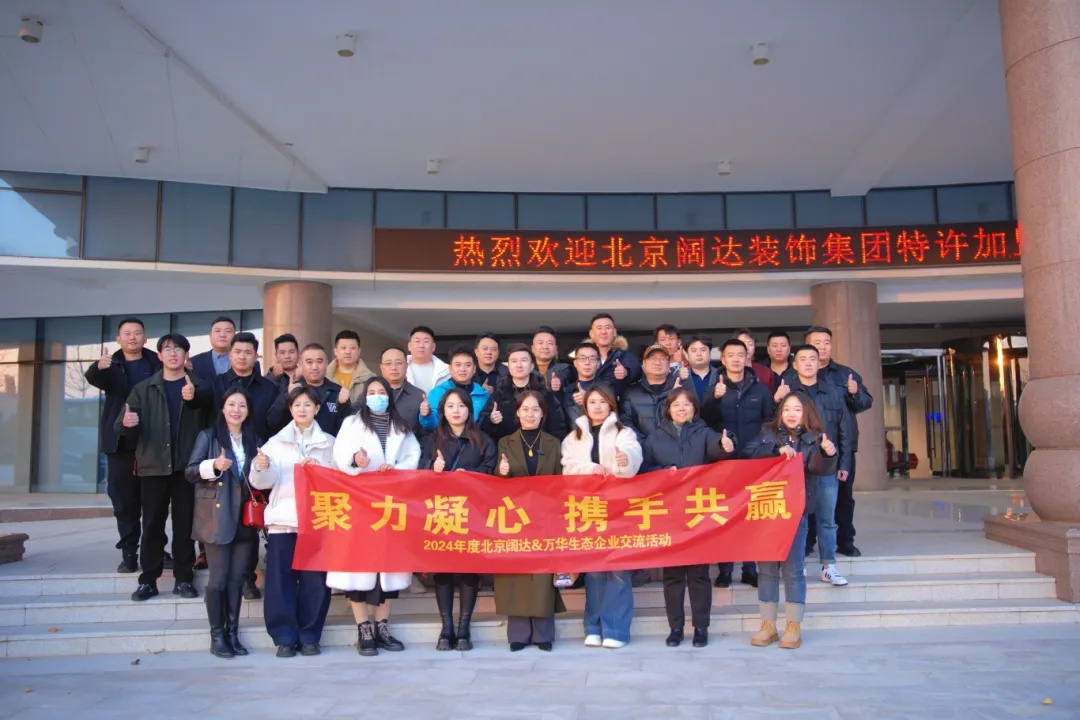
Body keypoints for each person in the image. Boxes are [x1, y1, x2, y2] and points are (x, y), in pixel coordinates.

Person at [329, 376, 420, 657]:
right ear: (364, 397)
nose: (377, 396)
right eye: (372, 392)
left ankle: (382, 626)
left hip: (391, 505)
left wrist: (395, 469)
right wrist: (355, 461)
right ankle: (364, 628)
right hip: (360, 505)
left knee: (389, 568)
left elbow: (413, 455)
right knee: (359, 567)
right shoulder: (351, 423)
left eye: (382, 392)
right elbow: (339, 455)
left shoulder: (401, 426)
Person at [743, 390, 839, 650]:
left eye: (797, 409)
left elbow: (819, 469)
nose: (791, 414)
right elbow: (748, 453)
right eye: (787, 409)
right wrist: (775, 450)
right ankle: (768, 625)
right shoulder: (768, 433)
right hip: (767, 512)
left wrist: (828, 454)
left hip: (795, 513)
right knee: (766, 569)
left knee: (793, 570)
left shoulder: (815, 438)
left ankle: (793, 626)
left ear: (806, 413)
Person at [641, 388, 735, 649]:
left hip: (697, 515)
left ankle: (701, 628)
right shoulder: (655, 437)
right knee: (672, 575)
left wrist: (726, 445)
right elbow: (644, 469)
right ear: (668, 409)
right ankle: (676, 628)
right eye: (676, 405)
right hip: (669, 515)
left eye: (686, 404)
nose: (681, 409)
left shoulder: (704, 432)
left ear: (695, 408)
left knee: (699, 575)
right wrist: (663, 471)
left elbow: (718, 448)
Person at [117, 333, 207, 602]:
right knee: (152, 526)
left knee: (184, 526)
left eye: (179, 349)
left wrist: (195, 398)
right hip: (153, 467)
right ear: (159, 356)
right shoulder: (144, 389)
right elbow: (122, 426)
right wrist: (127, 425)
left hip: (186, 468)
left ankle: (184, 578)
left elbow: (211, 418)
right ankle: (148, 581)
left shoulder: (199, 386)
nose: (173, 353)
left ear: (186, 356)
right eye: (167, 349)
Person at [249, 386, 336, 658]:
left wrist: (320, 470)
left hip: (316, 522)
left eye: (308, 404)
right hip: (283, 522)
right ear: (290, 409)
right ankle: (284, 637)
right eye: (297, 404)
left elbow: (340, 480)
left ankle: (310, 635)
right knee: (280, 582)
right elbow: (261, 483)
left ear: (317, 409)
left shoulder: (329, 443)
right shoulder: (275, 443)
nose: (302, 409)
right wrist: (261, 466)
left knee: (315, 582)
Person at [561, 385, 642, 649]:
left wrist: (624, 459)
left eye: (602, 402)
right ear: (585, 406)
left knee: (618, 570)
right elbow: (567, 468)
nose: (597, 406)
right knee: (594, 570)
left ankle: (616, 630)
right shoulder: (574, 437)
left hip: (618, 510)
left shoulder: (624, 433)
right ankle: (593, 627)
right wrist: (589, 468)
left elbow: (633, 458)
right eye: (592, 402)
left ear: (611, 405)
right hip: (588, 510)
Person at [419, 387, 497, 651]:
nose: (456, 411)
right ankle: (446, 627)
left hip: (472, 514)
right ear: (443, 410)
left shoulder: (483, 440)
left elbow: (491, 471)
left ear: (469, 410)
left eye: (461, 406)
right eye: (451, 406)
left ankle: (464, 627)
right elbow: (417, 470)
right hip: (441, 513)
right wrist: (432, 468)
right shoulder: (432, 440)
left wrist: (471, 474)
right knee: (442, 571)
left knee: (468, 570)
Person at [185, 387, 260, 658]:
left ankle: (232, 633)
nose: (236, 410)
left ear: (248, 411)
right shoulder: (208, 437)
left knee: (237, 579)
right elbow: (190, 472)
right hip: (217, 517)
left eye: (242, 405)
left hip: (245, 519)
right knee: (218, 579)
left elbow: (259, 479)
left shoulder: (254, 440)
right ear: (223, 408)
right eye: (231, 404)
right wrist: (213, 466)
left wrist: (263, 466)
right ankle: (217, 636)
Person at [85, 317, 161, 573]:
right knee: (124, 501)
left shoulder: (156, 362)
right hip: (120, 444)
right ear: (119, 339)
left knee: (154, 501)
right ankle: (129, 552)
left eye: (137, 333)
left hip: (152, 442)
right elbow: (95, 379)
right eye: (127, 333)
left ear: (145, 338)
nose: (132, 337)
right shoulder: (111, 364)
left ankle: (155, 550)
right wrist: (99, 367)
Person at [493, 391, 566, 652]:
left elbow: (561, 479)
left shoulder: (554, 443)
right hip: (515, 517)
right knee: (516, 574)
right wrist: (501, 473)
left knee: (543, 575)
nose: (530, 414)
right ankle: (519, 634)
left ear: (542, 414)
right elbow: (496, 481)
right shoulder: (505, 442)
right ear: (517, 413)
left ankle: (543, 634)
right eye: (525, 409)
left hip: (546, 516)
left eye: (535, 409)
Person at [778, 345, 853, 587]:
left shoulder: (833, 392)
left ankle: (828, 566)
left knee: (827, 518)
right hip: (795, 468)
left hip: (825, 465)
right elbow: (775, 429)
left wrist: (843, 461)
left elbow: (844, 429)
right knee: (795, 519)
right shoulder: (787, 393)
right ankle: (796, 564)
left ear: (819, 363)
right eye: (803, 359)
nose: (809, 363)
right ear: (795, 365)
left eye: (813, 358)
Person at [709, 338, 775, 588]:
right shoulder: (714, 388)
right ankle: (725, 570)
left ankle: (750, 569)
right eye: (731, 355)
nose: (736, 359)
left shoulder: (761, 391)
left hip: (753, 462)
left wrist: (759, 449)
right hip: (723, 462)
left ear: (747, 358)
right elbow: (703, 420)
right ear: (723, 359)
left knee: (751, 516)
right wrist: (714, 399)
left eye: (740, 355)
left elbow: (770, 423)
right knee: (724, 516)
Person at [803, 326, 873, 558]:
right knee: (808, 496)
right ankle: (808, 541)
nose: (822, 347)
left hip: (841, 447)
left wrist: (855, 393)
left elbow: (865, 403)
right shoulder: (796, 376)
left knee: (843, 497)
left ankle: (845, 541)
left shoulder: (845, 374)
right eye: (817, 343)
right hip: (808, 449)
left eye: (826, 342)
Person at [484, 343, 568, 440]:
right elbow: (484, 428)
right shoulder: (498, 395)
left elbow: (557, 428)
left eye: (523, 360)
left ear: (532, 365)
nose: (519, 365)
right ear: (509, 366)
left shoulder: (544, 395)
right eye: (514, 361)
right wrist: (491, 421)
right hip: (506, 447)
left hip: (540, 447)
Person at [266, 343, 350, 437]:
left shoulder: (338, 392)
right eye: (309, 362)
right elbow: (272, 423)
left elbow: (348, 429)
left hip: (329, 444)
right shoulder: (293, 390)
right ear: (300, 364)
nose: (314, 367)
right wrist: (287, 397)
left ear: (326, 363)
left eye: (319, 362)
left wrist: (343, 405)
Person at [418, 344, 492, 433]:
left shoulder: (483, 395)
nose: (462, 369)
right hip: (446, 440)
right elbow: (431, 425)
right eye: (458, 365)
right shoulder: (438, 392)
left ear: (474, 369)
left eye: (468, 365)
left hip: (476, 440)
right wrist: (426, 415)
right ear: (450, 368)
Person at [619, 343, 678, 444]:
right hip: (642, 448)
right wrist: (646, 444)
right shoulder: (631, 392)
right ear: (644, 363)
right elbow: (626, 423)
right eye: (652, 358)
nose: (657, 362)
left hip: (674, 449)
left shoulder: (679, 390)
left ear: (669, 364)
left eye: (662, 358)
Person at [588, 313, 641, 398]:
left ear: (614, 332)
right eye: (599, 328)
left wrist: (626, 372)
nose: (603, 332)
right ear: (591, 333)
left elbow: (636, 370)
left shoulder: (623, 356)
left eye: (608, 328)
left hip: (617, 404)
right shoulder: (584, 357)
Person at [191, 316, 262, 379]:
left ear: (234, 336)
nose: (222, 335)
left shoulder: (251, 362)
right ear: (210, 336)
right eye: (217, 331)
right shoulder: (195, 362)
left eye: (228, 331)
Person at [379, 346, 424, 433]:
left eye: (399, 363)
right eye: (388, 363)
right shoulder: (371, 393)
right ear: (381, 367)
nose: (394, 367)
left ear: (406, 366)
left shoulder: (418, 395)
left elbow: (425, 433)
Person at [559, 341, 602, 432]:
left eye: (592, 359)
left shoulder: (606, 389)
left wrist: (588, 399)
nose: (587, 362)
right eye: (582, 359)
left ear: (598, 363)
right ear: (575, 363)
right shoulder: (567, 391)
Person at [327, 330, 376, 404]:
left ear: (359, 351)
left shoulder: (371, 379)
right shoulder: (324, 377)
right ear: (335, 351)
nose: (348, 352)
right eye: (343, 348)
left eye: (352, 348)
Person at [684, 336, 722, 424]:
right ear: (687, 355)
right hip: (688, 427)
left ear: (710, 353)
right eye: (694, 350)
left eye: (703, 350)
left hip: (716, 427)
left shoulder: (721, 376)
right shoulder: (679, 378)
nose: (699, 354)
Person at [406, 325, 450, 393]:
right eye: (417, 341)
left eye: (426, 341)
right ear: (409, 346)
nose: (421, 346)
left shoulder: (446, 371)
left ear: (433, 346)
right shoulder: (400, 368)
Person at [733, 328, 779, 393]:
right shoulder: (723, 372)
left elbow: (770, 396)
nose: (747, 348)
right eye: (742, 343)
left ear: (754, 347)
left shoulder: (766, 372)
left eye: (750, 344)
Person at [531, 326, 573, 390]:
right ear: (533, 348)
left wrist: (560, 382)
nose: (545, 347)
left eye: (550, 343)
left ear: (556, 349)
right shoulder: (525, 370)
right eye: (540, 343)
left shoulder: (565, 368)